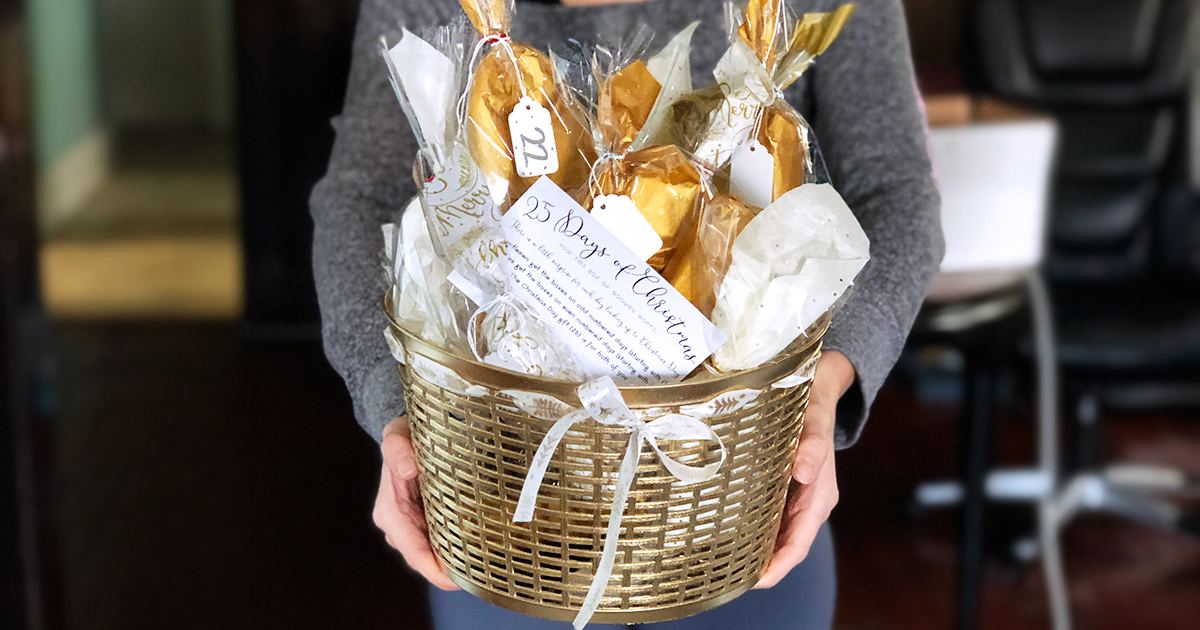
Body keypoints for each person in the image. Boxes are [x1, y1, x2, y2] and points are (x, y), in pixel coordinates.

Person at [310, 0, 943, 627]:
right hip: (508, 513)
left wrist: (825, 385)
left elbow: (898, 194)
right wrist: (396, 408)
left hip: (741, 500)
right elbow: (358, 201)